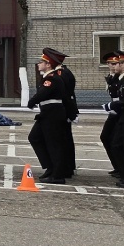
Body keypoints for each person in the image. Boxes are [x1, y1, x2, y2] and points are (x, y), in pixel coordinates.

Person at [28, 48, 72, 184]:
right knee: (34, 137)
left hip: (53, 114)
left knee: (54, 144)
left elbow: (43, 94)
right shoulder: (47, 78)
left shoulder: (52, 78)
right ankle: (50, 167)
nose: (38, 64)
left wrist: (31, 101)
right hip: (47, 114)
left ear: (48, 65)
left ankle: (58, 175)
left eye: (42, 62)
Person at [48, 47, 78, 178]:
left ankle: (66, 168)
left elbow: (66, 95)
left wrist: (70, 113)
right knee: (65, 139)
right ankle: (68, 166)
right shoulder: (64, 72)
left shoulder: (62, 74)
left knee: (63, 140)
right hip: (66, 109)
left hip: (64, 109)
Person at [102, 50, 124, 188]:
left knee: (121, 145)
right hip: (119, 112)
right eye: (111, 64)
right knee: (111, 141)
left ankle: (123, 172)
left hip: (122, 113)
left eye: (119, 63)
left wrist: (112, 105)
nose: (114, 66)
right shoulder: (119, 77)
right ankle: (121, 170)